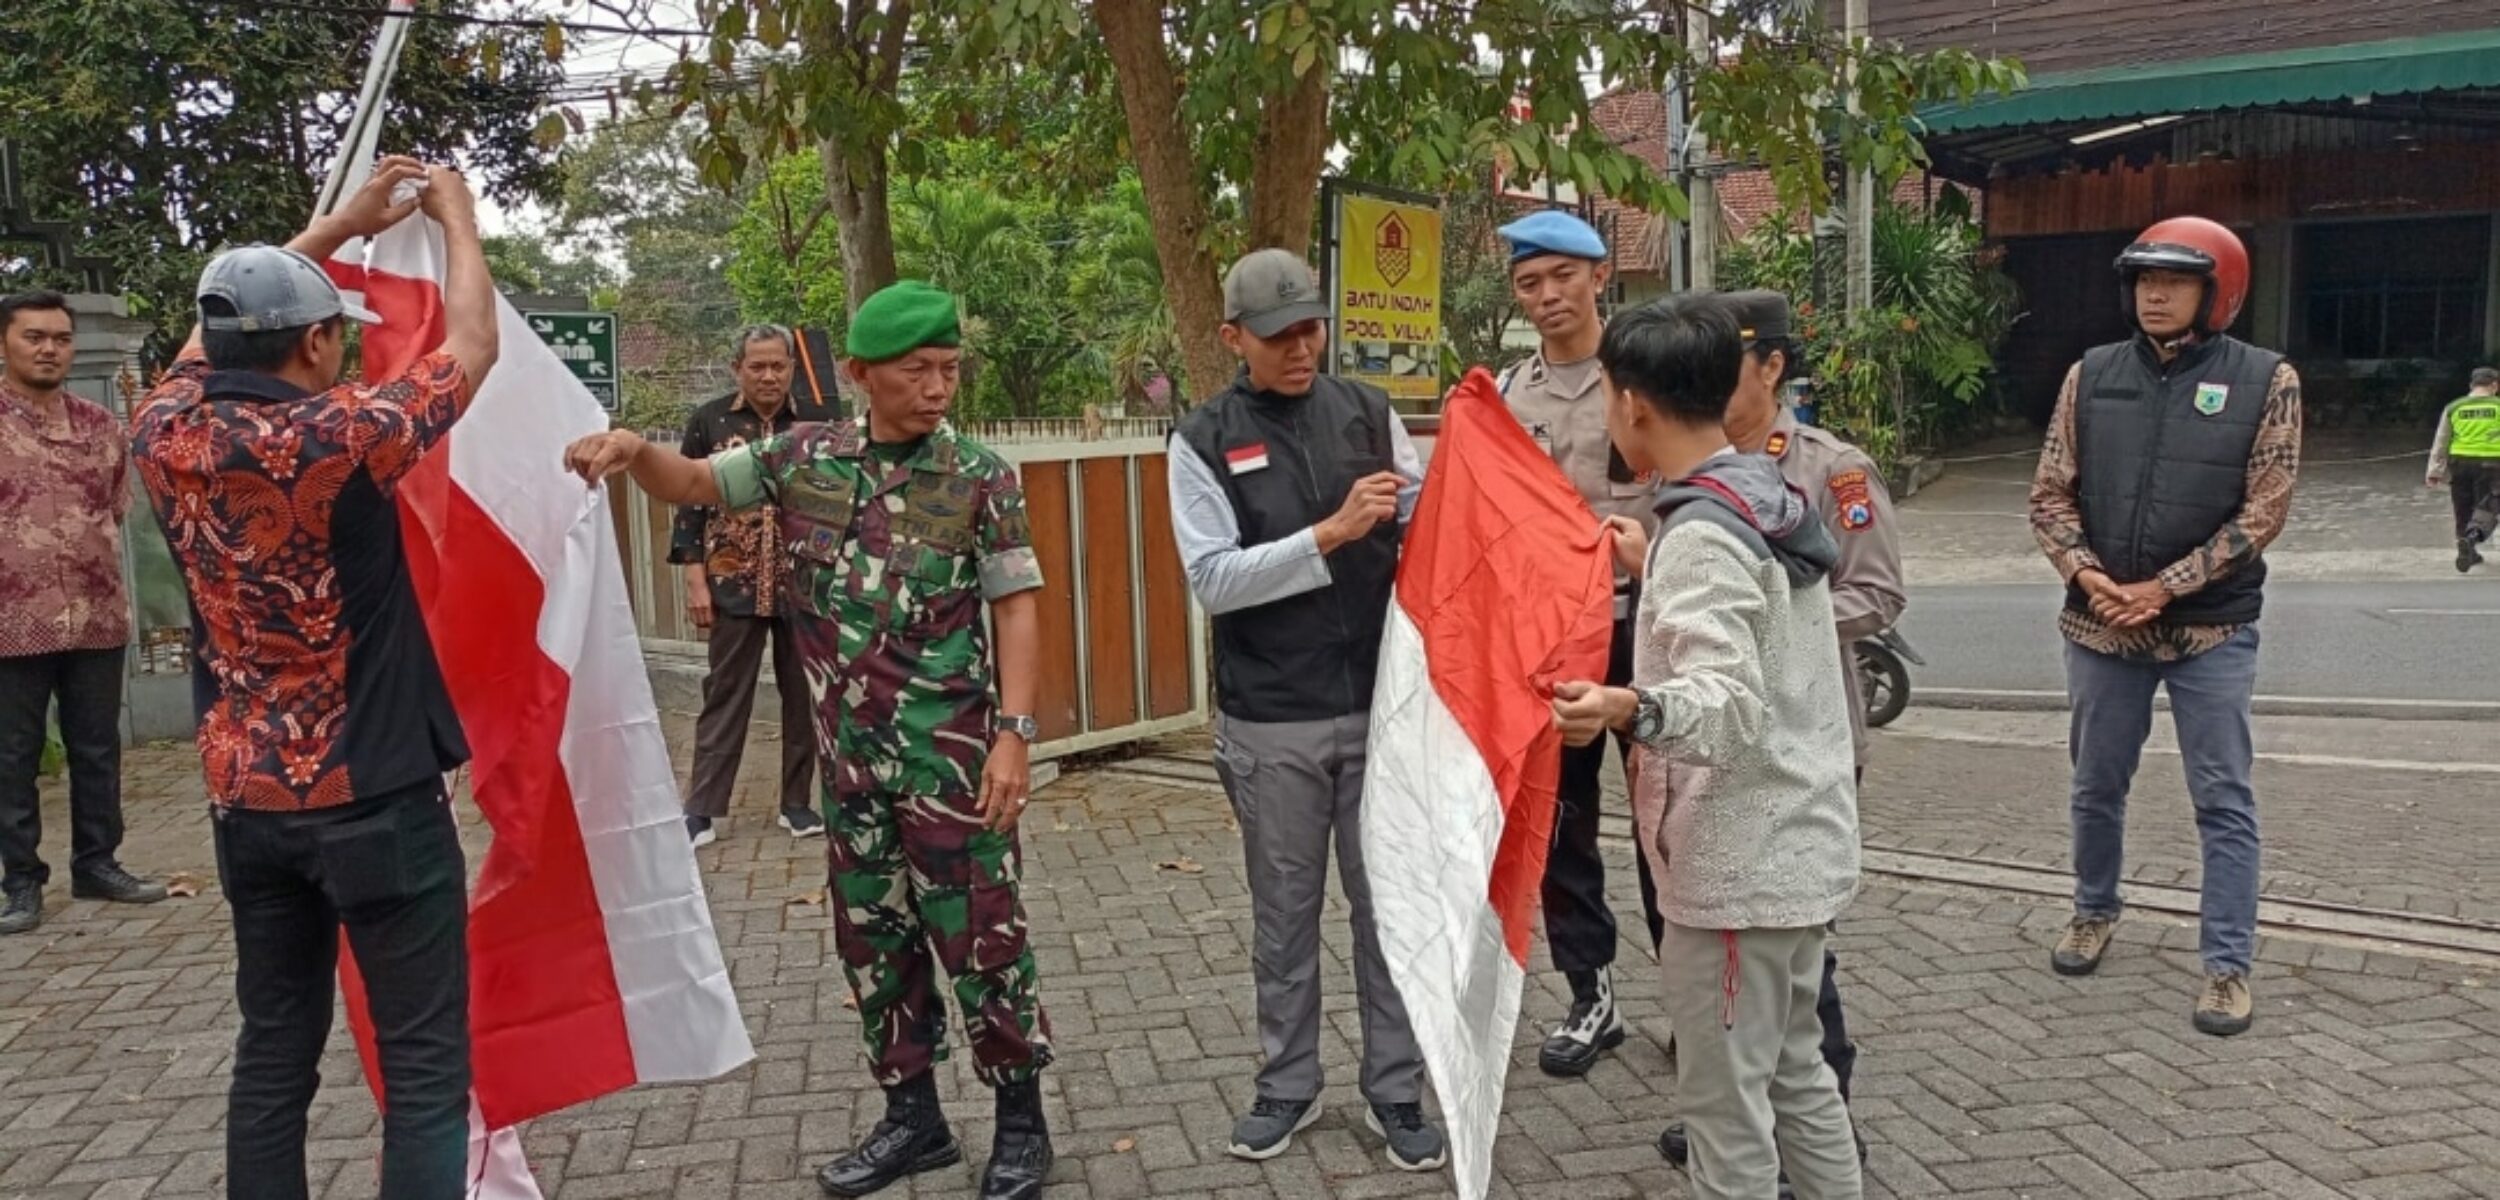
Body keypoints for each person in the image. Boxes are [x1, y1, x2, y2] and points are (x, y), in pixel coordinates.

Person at [561, 280, 1053, 1200]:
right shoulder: (800, 457)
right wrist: (634, 452)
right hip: (851, 768)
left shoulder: (981, 477)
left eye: (949, 370)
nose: (938, 387)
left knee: (985, 941)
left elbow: (1017, 606)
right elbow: (699, 484)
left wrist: (1016, 735)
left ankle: (1021, 1126)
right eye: (918, 371)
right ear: (863, 374)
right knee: (873, 942)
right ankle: (915, 1120)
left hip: (951, 765)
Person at [129, 157, 498, 1198]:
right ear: (318, 341)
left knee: (273, 1053)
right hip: (375, 792)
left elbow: (209, 339)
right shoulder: (338, 437)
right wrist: (458, 220)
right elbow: (474, 345)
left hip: (247, 801)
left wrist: (331, 227)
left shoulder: (165, 429)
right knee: (424, 1069)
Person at [1551, 292, 1862, 1200]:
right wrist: (1654, 567)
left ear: (1631, 404)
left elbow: (1725, 700)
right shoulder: (1761, 496)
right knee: (1799, 1076)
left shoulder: (1701, 536)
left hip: (1736, 874)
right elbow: (1761, 635)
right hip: (1801, 848)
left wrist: (1624, 703)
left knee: (1725, 1115)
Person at [1167, 248, 1446, 1173]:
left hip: (1380, 708)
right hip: (1271, 717)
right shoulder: (1202, 439)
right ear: (1232, 337)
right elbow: (1212, 580)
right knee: (1285, 917)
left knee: (1388, 911)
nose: (1302, 346)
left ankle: (1396, 1090)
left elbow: (1433, 529)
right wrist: (1328, 534)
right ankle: (1286, 1084)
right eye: (1280, 333)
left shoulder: (1370, 415)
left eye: (1313, 327)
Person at [2029, 215, 2301, 1038]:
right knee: (2095, 786)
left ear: (2217, 292)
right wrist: (2090, 576)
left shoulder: (2267, 379)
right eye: (2144, 279)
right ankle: (2092, 909)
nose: (2155, 293)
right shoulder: (2091, 375)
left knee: (2222, 796)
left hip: (2210, 632)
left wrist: (2166, 587)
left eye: (2175, 281)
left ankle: (2226, 966)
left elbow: (2268, 506)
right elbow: (2049, 493)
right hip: (2102, 625)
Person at [1655, 288, 1899, 1176]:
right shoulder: (1706, 470)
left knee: (1797, 1002)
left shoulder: (1829, 469)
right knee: (1767, 1023)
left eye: (1731, 363)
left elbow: (1877, 594)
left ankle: (1784, 1121)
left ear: (1772, 367)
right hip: (1732, 772)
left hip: (1794, 751)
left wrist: (1776, 619)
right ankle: (1760, 1104)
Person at [1490, 210, 1647, 1077]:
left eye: (1562, 277)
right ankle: (1591, 994)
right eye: (1529, 282)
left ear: (1598, 277)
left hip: (1649, 626)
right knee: (1562, 824)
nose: (1547, 296)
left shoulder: (1644, 373)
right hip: (1556, 642)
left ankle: (1700, 1002)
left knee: (1671, 823)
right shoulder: (1512, 398)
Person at [0, 290, 168, 935]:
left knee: (97, 747)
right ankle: (20, 881)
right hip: (12, 621)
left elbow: (117, 509)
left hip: (95, 613)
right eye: (34, 337)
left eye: (60, 338)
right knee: (12, 755)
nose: (49, 349)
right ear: (7, 344)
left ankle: (99, 862)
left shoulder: (101, 426)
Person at [672, 324, 822, 846]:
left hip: (802, 582)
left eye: (778, 365)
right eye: (756, 366)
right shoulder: (709, 420)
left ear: (792, 369)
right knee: (725, 692)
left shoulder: (817, 425)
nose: (768, 376)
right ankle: (703, 808)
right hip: (731, 578)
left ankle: (798, 803)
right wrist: (695, 578)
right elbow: (690, 503)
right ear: (737, 368)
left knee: (802, 695)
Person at [2426, 366, 2500, 573]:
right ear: (2494, 385)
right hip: (2492, 464)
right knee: (2489, 504)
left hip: (2459, 463)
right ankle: (2472, 536)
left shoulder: (2454, 407)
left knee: (2463, 505)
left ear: (2471, 386)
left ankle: (2466, 550)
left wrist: (2434, 471)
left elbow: (2441, 441)